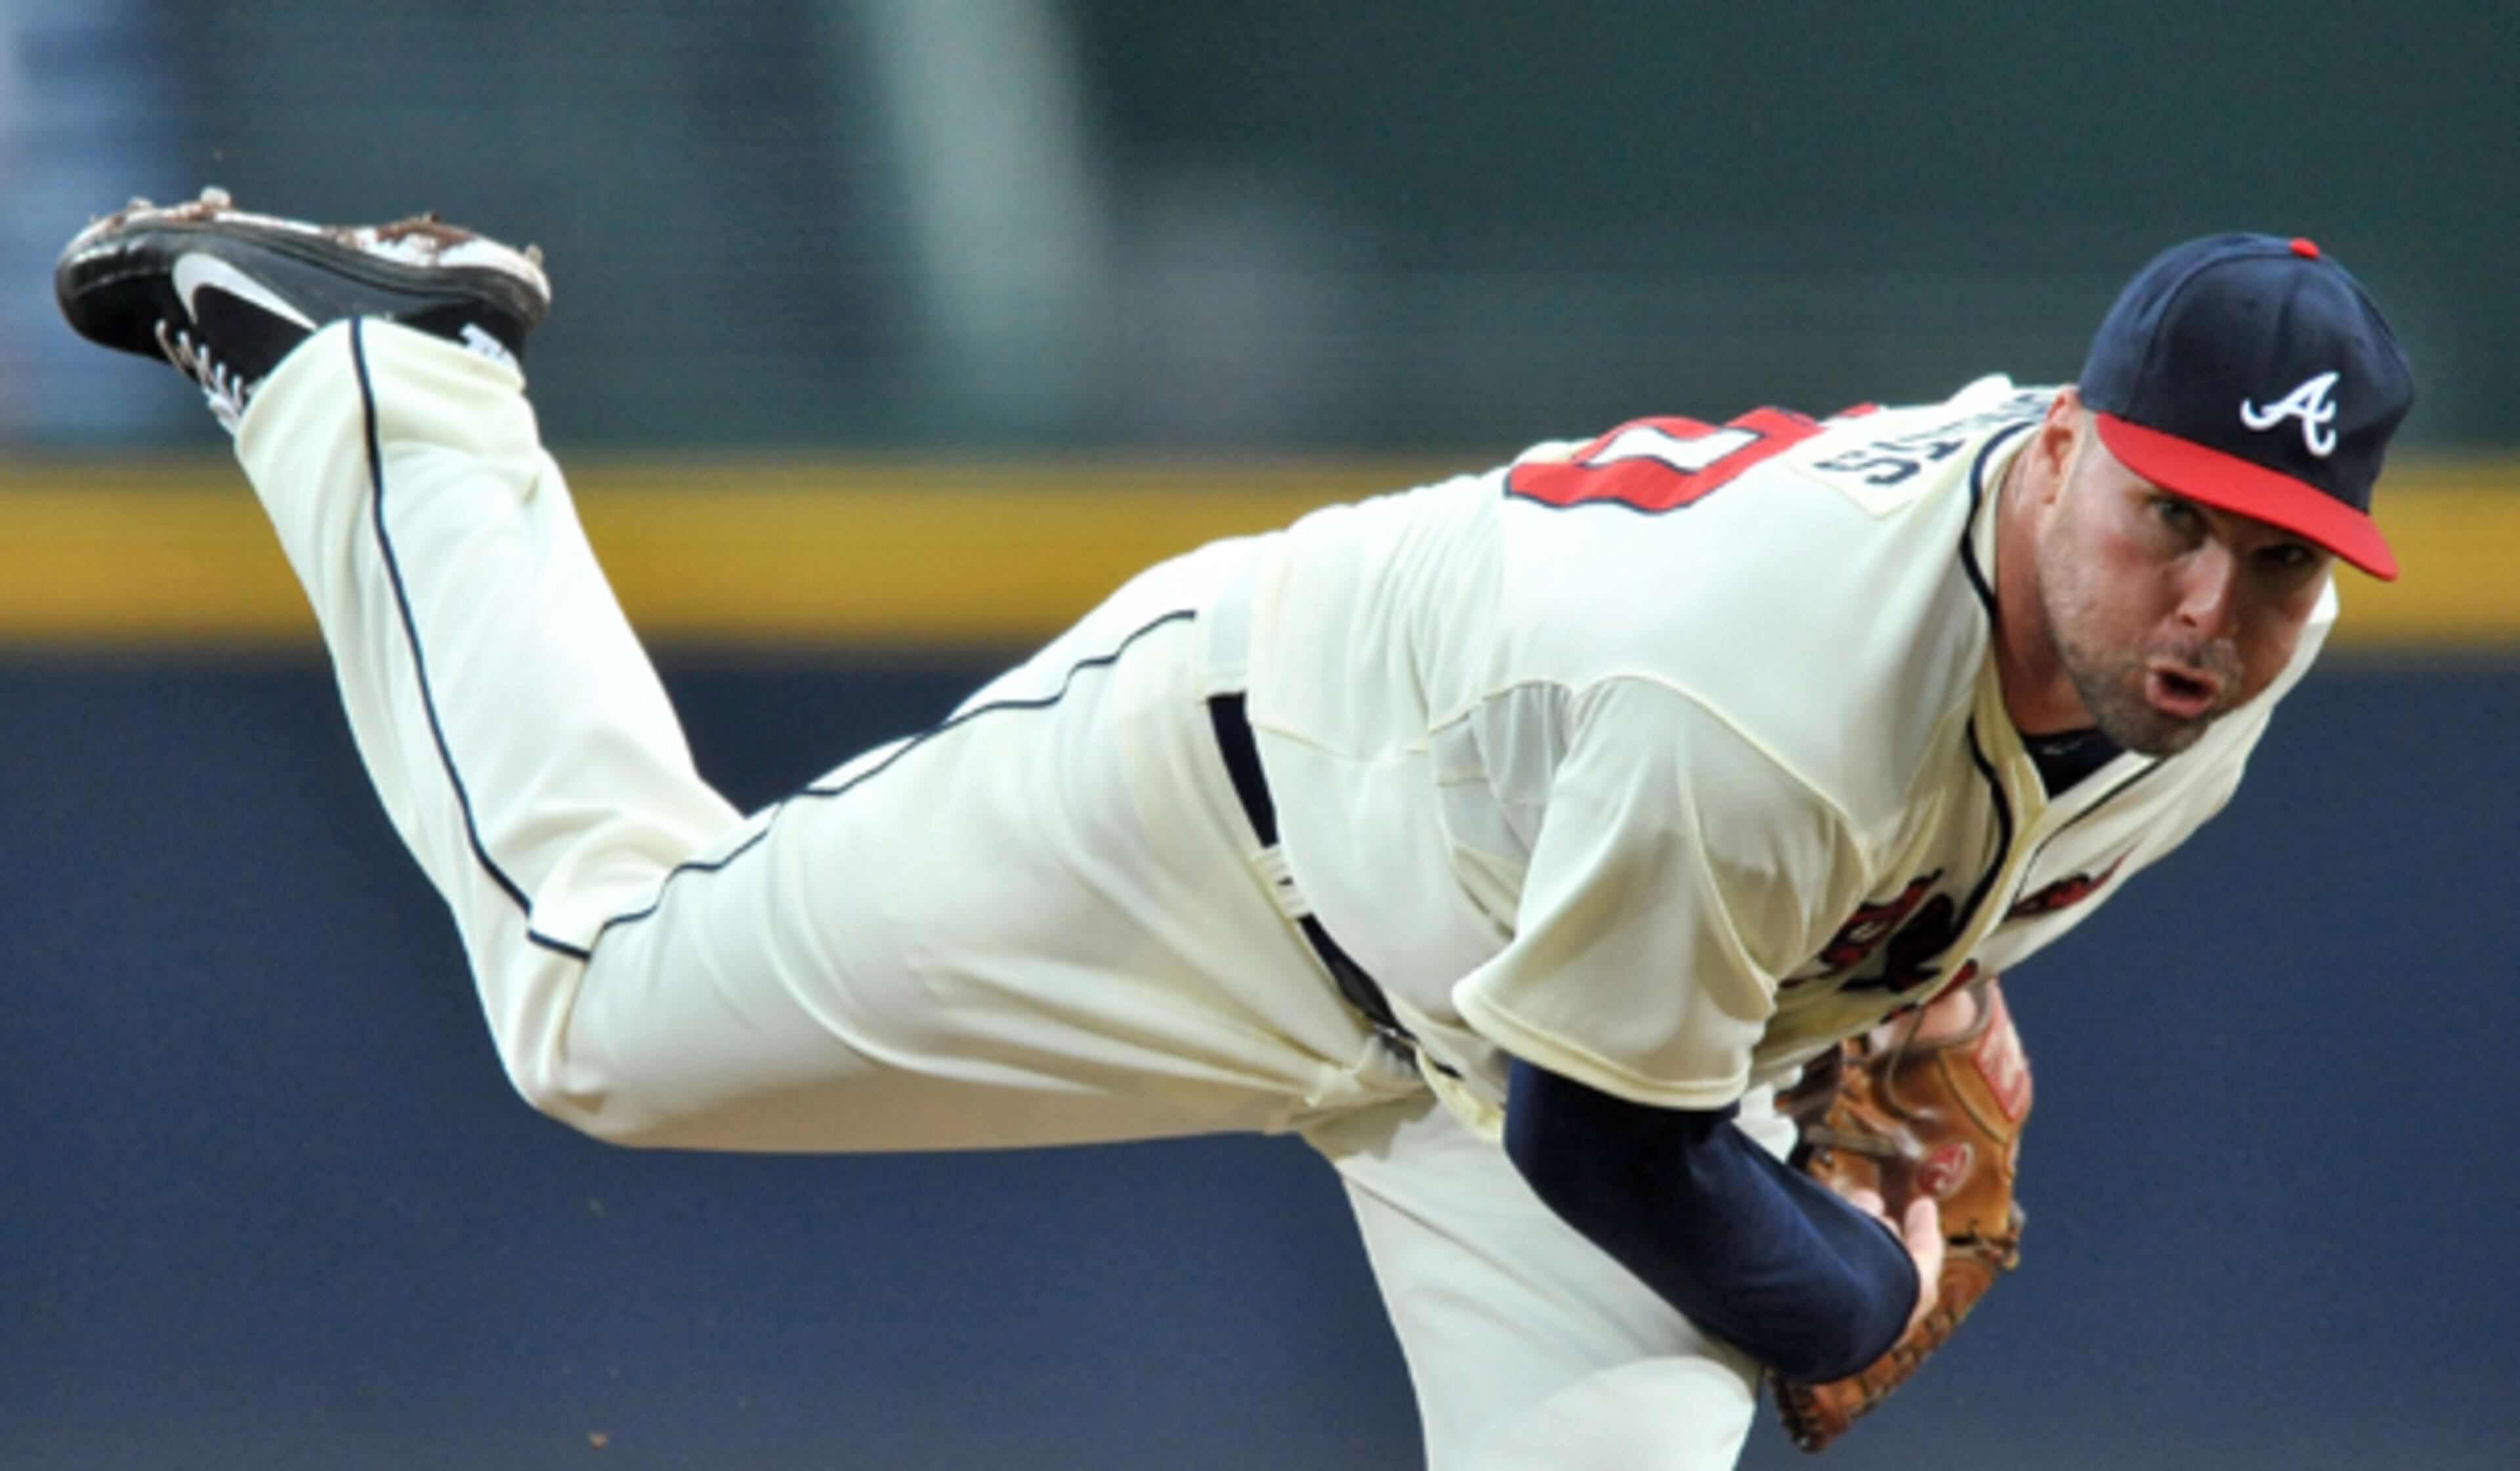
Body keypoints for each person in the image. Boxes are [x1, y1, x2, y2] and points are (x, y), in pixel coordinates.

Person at [54, 192, 2414, 1470]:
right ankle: (388, 378)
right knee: (595, 1014)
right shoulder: (1771, 693)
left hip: (1525, 1013)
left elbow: (1846, 895)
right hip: (1236, 810)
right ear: (2074, 446)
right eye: (2176, 519)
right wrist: (1864, 1278)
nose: (2213, 604)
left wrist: (1885, 988)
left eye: (2282, 551)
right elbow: (1623, 1148)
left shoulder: (2215, 651)